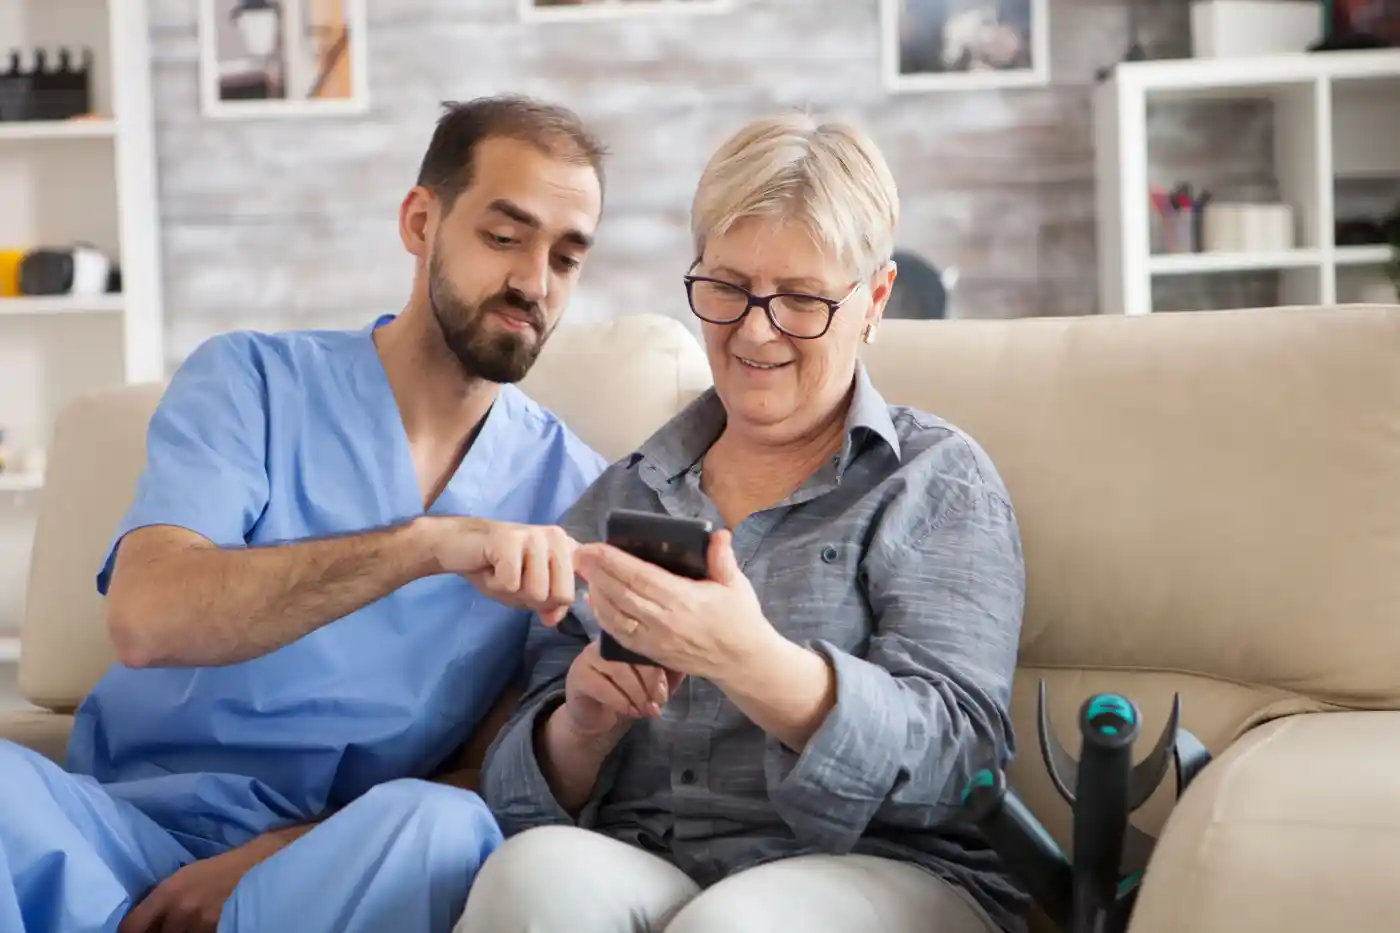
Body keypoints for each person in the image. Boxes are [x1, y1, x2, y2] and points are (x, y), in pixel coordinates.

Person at [0, 95, 610, 933]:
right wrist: (425, 546)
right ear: (421, 221)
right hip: (113, 831)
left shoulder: (572, 493)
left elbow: (493, 769)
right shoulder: (248, 384)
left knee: (448, 828)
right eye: (505, 237)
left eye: (567, 258)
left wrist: (274, 855)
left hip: (325, 867)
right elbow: (146, 617)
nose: (533, 283)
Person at [457, 113, 1029, 933]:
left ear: (874, 298)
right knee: (527, 878)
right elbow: (514, 795)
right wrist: (579, 723)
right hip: (648, 858)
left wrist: (753, 662)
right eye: (727, 288)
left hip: (883, 873)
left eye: (800, 298)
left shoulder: (935, 482)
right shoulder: (624, 497)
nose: (756, 330)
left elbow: (960, 762)